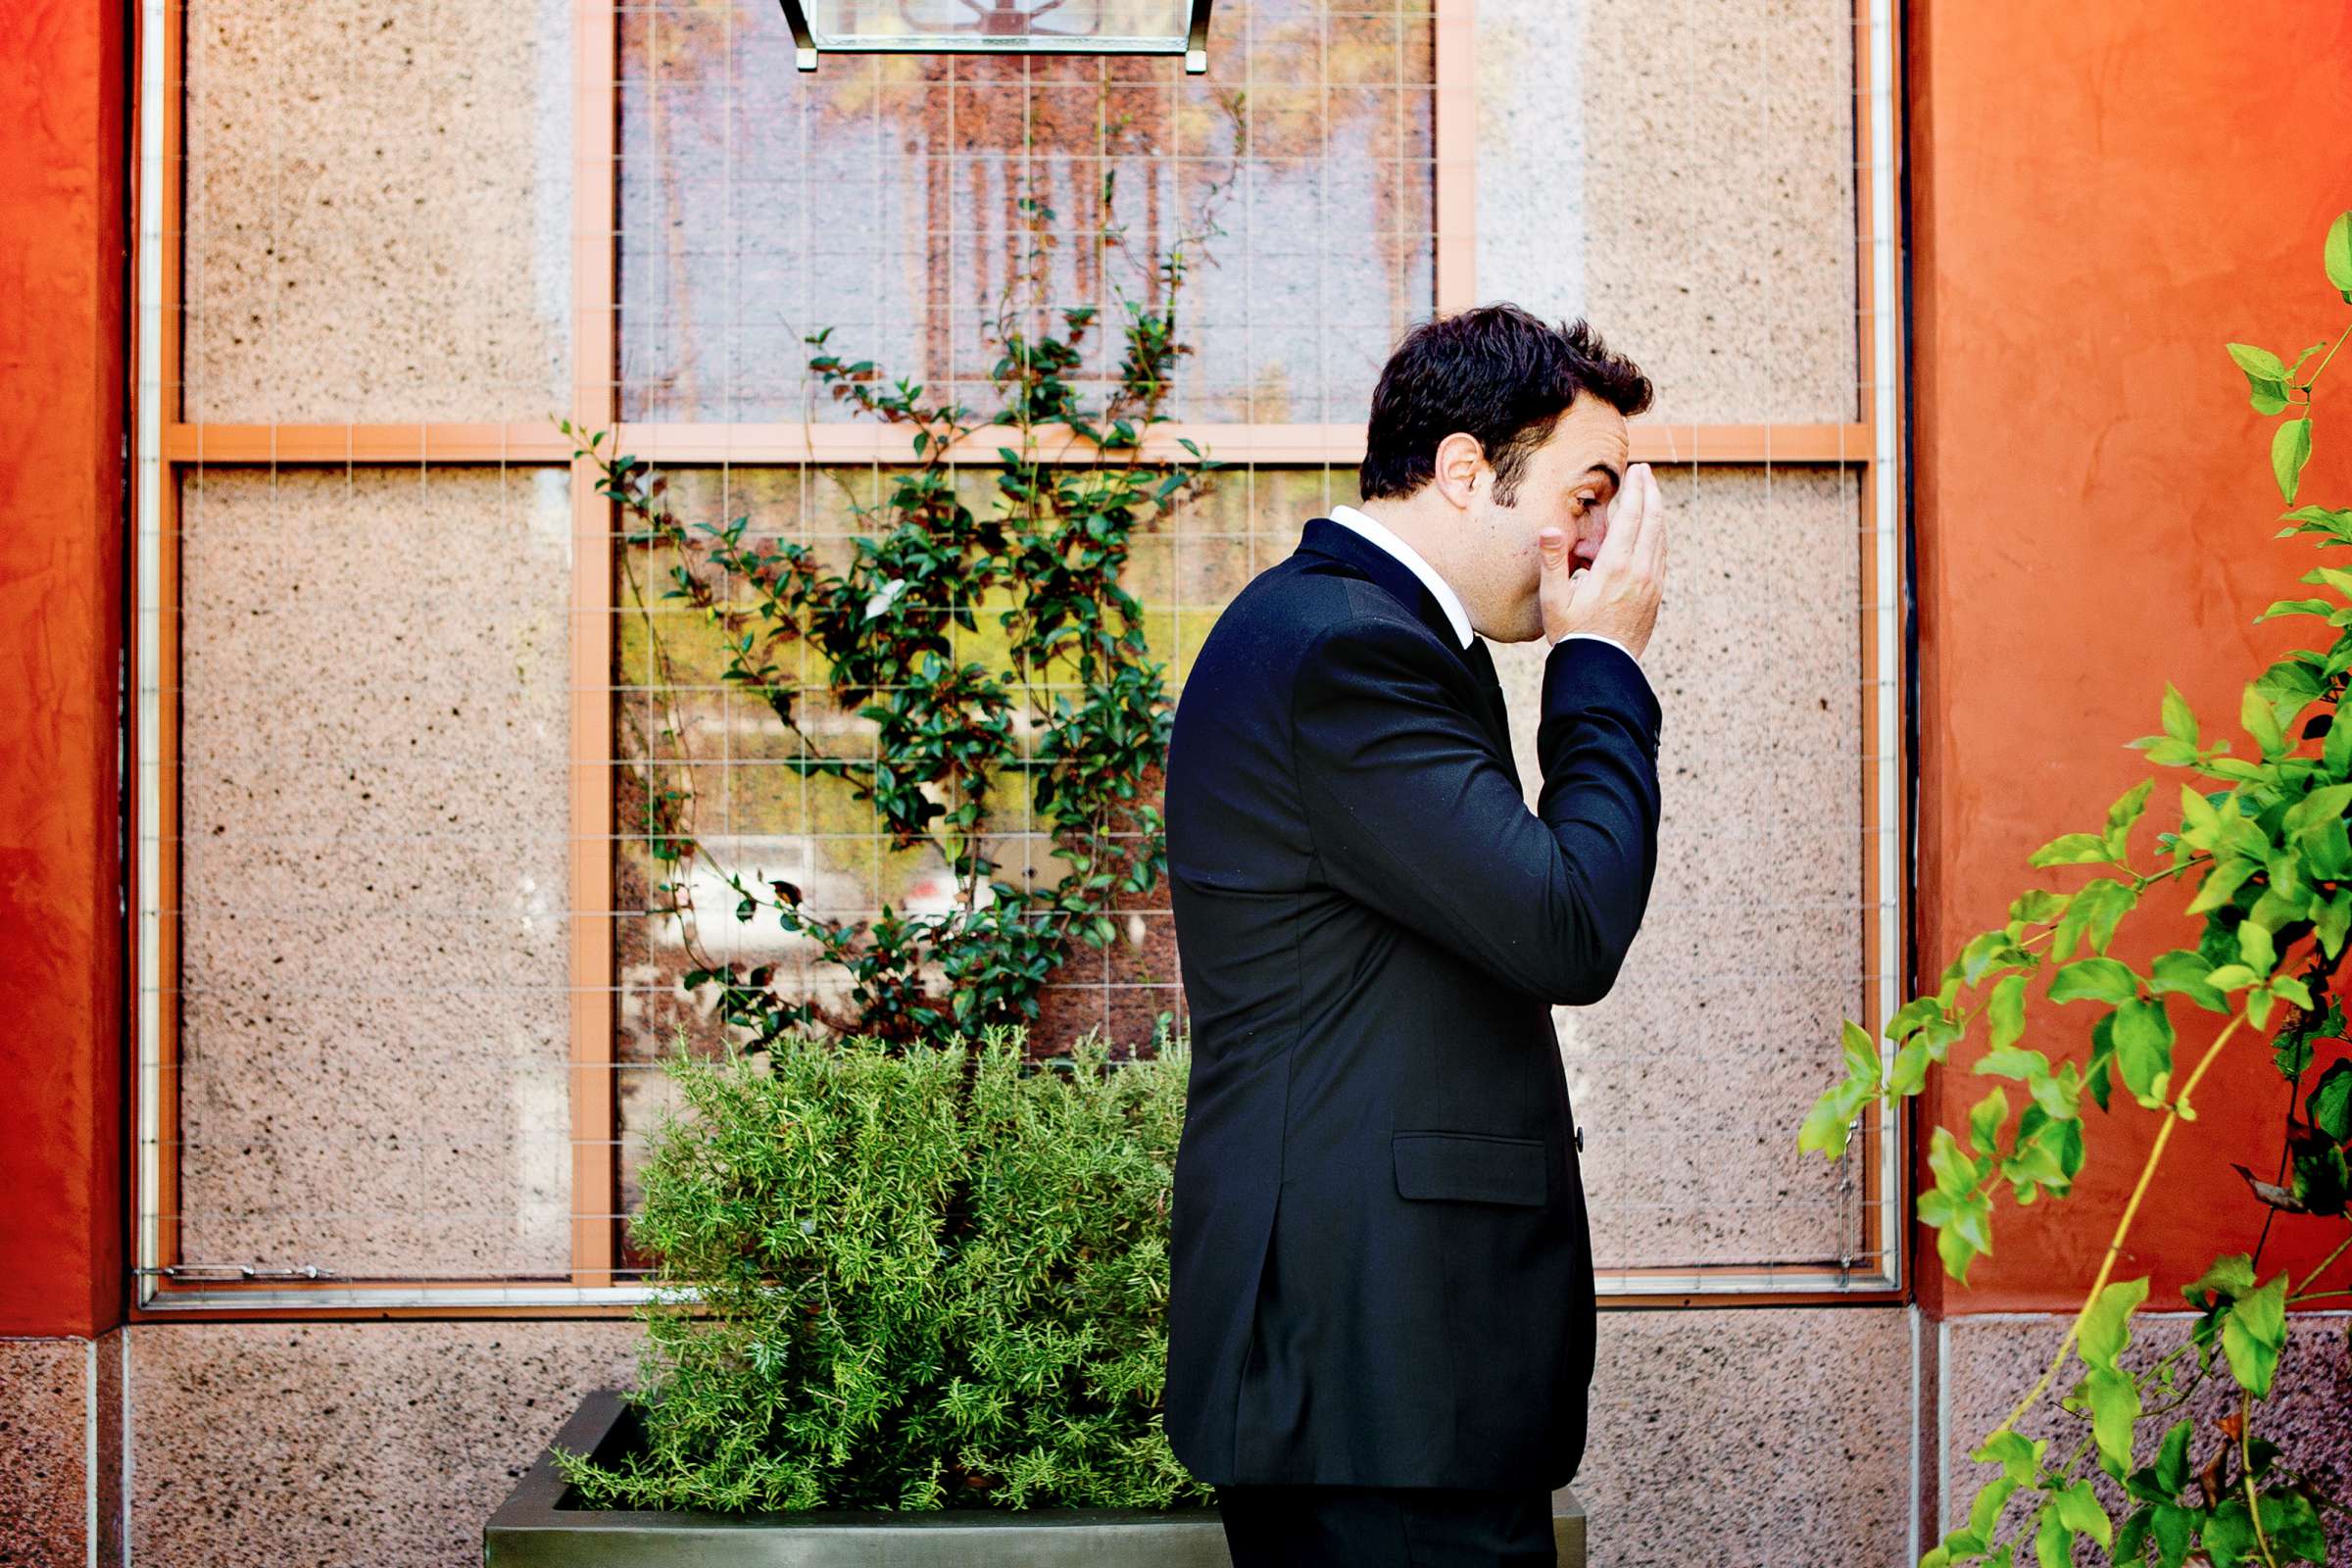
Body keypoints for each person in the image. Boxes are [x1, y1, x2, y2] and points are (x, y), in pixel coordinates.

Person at [1160, 301, 1669, 1566]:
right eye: (1587, 493)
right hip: (1376, 1389)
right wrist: (1600, 663)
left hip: (1389, 1386)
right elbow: (1567, 924)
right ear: (1461, 469)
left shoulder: (1358, 636)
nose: (1599, 541)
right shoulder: (1346, 653)